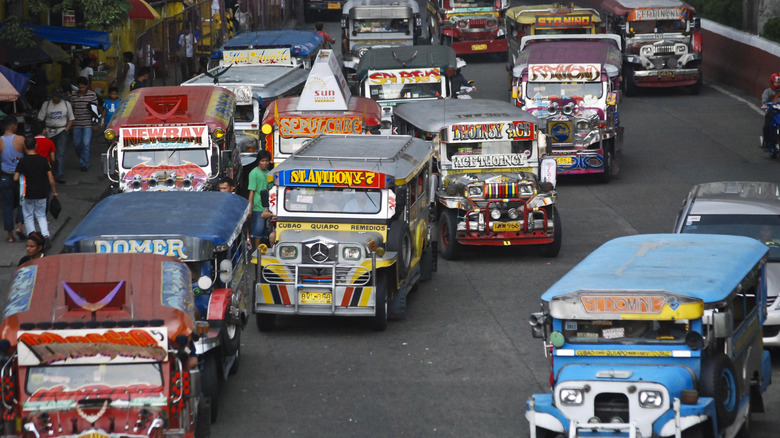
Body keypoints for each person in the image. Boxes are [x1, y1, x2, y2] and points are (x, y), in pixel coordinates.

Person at [14, 136, 57, 248]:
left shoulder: (22, 162)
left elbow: (15, 177)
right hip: (42, 193)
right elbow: (50, 177)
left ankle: (33, 238)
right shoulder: (43, 160)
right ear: (36, 146)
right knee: (41, 215)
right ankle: (45, 234)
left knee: (28, 216)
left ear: (24, 146)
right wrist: (54, 191)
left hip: (27, 193)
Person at [38, 87, 74, 183]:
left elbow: (71, 119)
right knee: (49, 154)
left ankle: (60, 175)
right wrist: (43, 130)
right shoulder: (47, 104)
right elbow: (40, 118)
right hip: (49, 131)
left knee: (60, 154)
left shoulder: (66, 104)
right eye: (55, 96)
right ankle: (50, 173)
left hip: (61, 130)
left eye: (58, 97)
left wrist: (66, 130)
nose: (56, 98)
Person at [0, 115, 26, 242]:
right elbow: (28, 156)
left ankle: (10, 236)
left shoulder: (0, 140)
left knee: (7, 205)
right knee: (22, 202)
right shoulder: (21, 139)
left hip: (5, 176)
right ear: (14, 126)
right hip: (20, 176)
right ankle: (20, 226)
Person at [71, 77, 99, 172]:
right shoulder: (74, 96)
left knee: (86, 144)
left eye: (83, 87)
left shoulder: (92, 95)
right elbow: (72, 109)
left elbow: (95, 110)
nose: (81, 89)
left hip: (87, 123)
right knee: (76, 144)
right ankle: (82, 157)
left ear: (86, 86)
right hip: (76, 123)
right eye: (80, 87)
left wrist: (95, 123)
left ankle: (84, 164)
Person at [247, 150, 272, 248]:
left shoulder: (269, 173)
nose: (265, 163)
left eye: (267, 161)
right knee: (258, 230)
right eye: (262, 161)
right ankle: (257, 250)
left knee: (266, 230)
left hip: (267, 205)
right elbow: (251, 191)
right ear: (258, 161)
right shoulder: (254, 173)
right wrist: (250, 208)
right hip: (257, 206)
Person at [761, 73, 780, 150]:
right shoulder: (768, 91)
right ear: (772, 83)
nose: (777, 84)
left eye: (779, 82)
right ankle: (766, 141)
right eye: (776, 82)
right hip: (771, 111)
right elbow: (764, 99)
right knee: (767, 125)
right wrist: (765, 104)